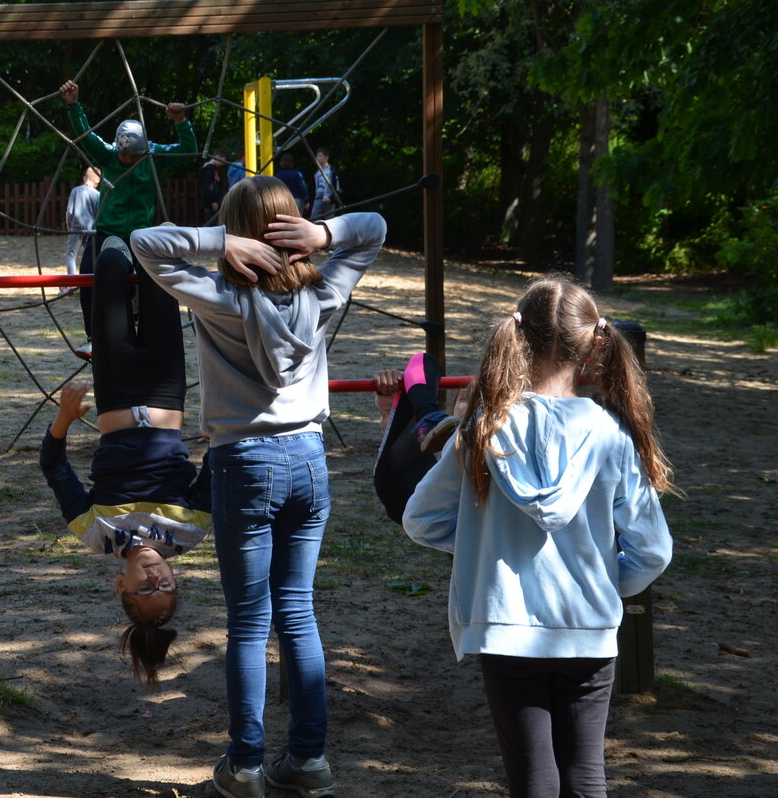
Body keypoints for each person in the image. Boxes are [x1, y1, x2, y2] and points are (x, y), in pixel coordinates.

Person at [131, 176, 387, 798]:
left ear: (237, 235)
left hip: (242, 461)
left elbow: (144, 241)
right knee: (297, 611)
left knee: (249, 621)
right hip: (308, 458)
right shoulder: (323, 293)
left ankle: (246, 766)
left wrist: (219, 243)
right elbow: (374, 228)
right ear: (293, 230)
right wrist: (323, 234)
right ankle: (309, 760)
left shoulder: (217, 296)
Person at [403, 276, 676, 798]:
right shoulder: (612, 435)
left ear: (518, 338)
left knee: (532, 778)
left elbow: (421, 519)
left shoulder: (481, 430)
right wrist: (604, 583)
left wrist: (488, 548)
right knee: (586, 774)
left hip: (505, 627)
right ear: (593, 345)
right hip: (589, 627)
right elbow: (653, 549)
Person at [40, 237, 210, 686]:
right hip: (165, 388)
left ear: (121, 585)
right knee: (157, 271)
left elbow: (54, 469)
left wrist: (63, 420)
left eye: (144, 587)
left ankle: (114, 239)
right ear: (175, 579)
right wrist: (219, 439)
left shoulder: (97, 533)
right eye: (164, 585)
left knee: (111, 262)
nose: (155, 577)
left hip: (115, 388)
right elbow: (218, 470)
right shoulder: (192, 531)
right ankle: (143, 248)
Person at [59, 78, 196, 344]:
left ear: (145, 150)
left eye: (136, 155)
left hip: (140, 236)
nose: (131, 160)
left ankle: (142, 333)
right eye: (126, 155)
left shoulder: (154, 156)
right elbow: (86, 136)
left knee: (147, 283)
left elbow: (188, 152)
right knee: (88, 280)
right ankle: (93, 337)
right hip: (106, 232)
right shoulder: (109, 155)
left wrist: (181, 122)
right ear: (118, 149)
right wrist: (74, 105)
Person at [371, 353, 462, 525]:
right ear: (453, 406)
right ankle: (427, 415)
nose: (470, 404)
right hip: (409, 497)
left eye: (477, 401)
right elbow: (420, 361)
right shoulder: (439, 432)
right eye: (463, 399)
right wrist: (391, 389)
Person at [65, 166, 101, 276]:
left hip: (76, 226)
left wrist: (69, 225)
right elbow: (97, 214)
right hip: (90, 228)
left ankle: (71, 280)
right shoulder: (97, 195)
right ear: (97, 181)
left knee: (71, 253)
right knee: (91, 253)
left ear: (85, 178)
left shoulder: (76, 191)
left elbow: (69, 211)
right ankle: (93, 276)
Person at [275, 153, 311, 217]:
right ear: (292, 163)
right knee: (298, 218)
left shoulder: (278, 176)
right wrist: (306, 200)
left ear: (281, 163)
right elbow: (302, 187)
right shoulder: (297, 174)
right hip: (297, 199)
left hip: (283, 200)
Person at [310, 148, 341, 218]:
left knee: (329, 219)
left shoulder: (331, 170)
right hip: (318, 197)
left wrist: (331, 198)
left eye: (320, 155)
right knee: (314, 217)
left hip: (328, 198)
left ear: (326, 157)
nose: (317, 158)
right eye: (317, 156)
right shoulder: (317, 172)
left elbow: (337, 185)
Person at [199, 148, 229, 222]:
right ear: (218, 157)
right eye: (222, 161)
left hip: (214, 201)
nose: (222, 164)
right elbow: (209, 185)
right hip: (212, 202)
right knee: (213, 222)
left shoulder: (213, 168)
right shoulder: (209, 169)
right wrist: (213, 201)